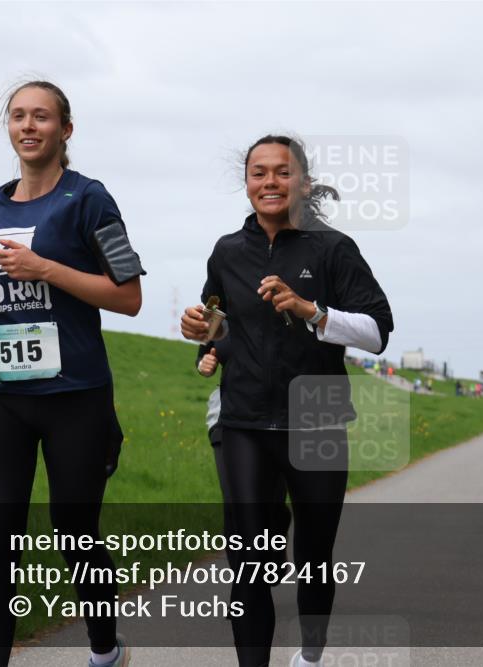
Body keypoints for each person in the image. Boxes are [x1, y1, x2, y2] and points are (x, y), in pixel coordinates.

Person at [180, 134, 393, 667]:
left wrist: (311, 310)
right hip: (246, 420)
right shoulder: (228, 250)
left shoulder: (333, 248)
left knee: (314, 556)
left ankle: (311, 656)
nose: (269, 182)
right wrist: (203, 337)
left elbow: (376, 331)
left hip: (317, 415)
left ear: (302, 180)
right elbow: (221, 321)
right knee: (248, 560)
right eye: (258, 173)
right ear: (247, 182)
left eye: (281, 172)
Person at [0, 81, 141, 667]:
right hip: (0, 393)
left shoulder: (90, 200)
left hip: (77, 396)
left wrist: (45, 268)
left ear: (66, 129)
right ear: (7, 128)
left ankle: (106, 650)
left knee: (74, 528)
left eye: (42, 116)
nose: (28, 126)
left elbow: (129, 296)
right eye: (18, 116)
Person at [197, 340, 291, 562]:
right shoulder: (222, 308)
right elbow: (204, 353)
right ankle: (246, 585)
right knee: (235, 503)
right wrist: (204, 363)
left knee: (270, 501)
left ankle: (275, 536)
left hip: (279, 418)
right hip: (226, 417)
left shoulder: (290, 308)